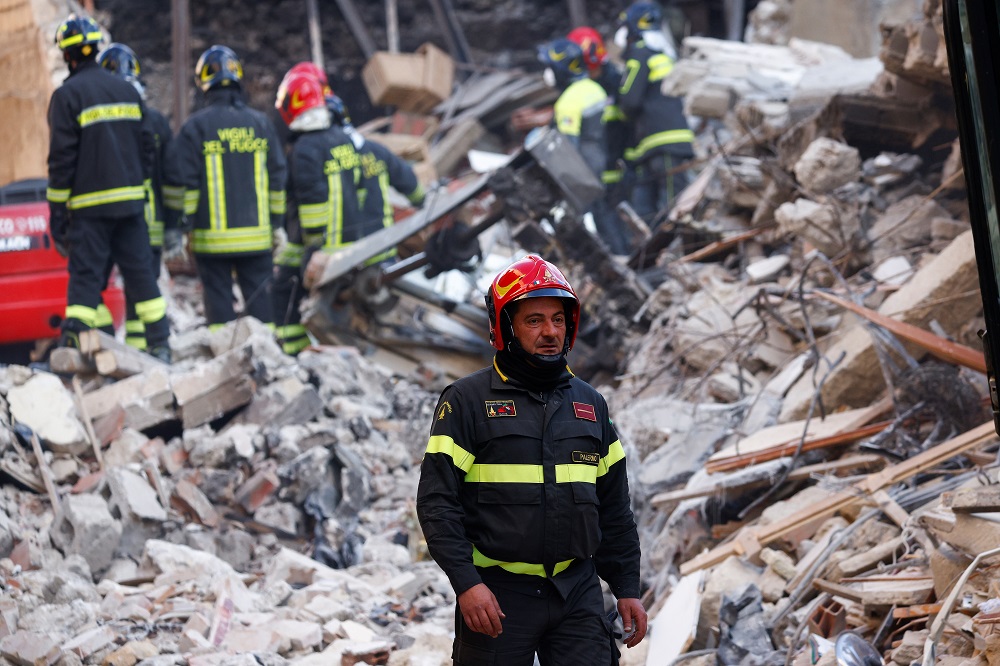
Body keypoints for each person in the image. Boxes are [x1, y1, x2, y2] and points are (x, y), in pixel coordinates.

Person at [416, 254, 647, 664]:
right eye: (534, 320)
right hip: (498, 596)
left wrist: (627, 586)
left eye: (558, 319)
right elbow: (437, 502)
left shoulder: (591, 404)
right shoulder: (466, 401)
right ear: (505, 327)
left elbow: (614, 508)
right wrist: (467, 584)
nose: (550, 332)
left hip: (576, 591)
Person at [47, 14, 171, 362]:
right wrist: (134, 184)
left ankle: (75, 345)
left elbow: (61, 160)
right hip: (131, 206)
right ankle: (161, 342)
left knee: (86, 277)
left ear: (67, 55)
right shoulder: (127, 90)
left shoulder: (67, 96)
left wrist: (58, 214)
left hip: (90, 211)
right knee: (141, 275)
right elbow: (148, 146)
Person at [163, 45, 287, 330]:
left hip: (211, 242)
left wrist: (181, 228)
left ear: (204, 84)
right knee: (261, 305)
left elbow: (184, 184)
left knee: (218, 305)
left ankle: (225, 359)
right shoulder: (261, 124)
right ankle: (268, 358)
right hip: (257, 239)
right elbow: (278, 180)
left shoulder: (196, 128)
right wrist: (277, 225)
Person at [271, 67, 361, 355]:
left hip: (322, 244)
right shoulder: (341, 138)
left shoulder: (305, 149)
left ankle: (293, 351)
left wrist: (313, 246)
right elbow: (357, 186)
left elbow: (313, 202)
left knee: (283, 290)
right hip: (350, 240)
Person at [97, 41, 174, 350]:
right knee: (142, 289)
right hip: (147, 223)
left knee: (94, 286)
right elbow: (171, 176)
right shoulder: (155, 121)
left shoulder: (96, 121)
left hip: (102, 220)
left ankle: (111, 349)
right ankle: (144, 353)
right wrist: (173, 225)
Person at [615, 1, 696, 225]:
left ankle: (665, 256)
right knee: (664, 206)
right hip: (667, 144)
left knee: (666, 210)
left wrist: (619, 112)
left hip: (660, 144)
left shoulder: (639, 54)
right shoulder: (664, 54)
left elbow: (629, 101)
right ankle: (656, 256)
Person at [566, 27, 633, 255]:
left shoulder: (612, 80)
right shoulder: (587, 87)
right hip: (602, 163)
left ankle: (625, 256)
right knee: (606, 216)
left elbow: (621, 124)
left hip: (617, 160)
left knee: (614, 216)